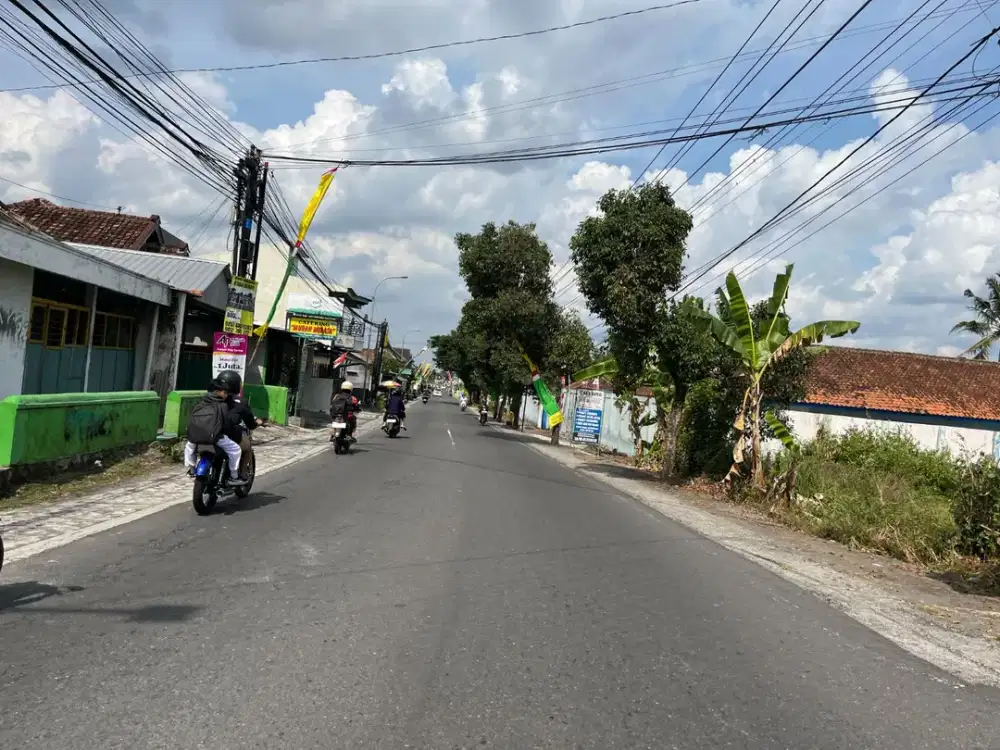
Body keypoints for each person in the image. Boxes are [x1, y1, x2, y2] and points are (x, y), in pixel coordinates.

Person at [184, 377, 246, 485]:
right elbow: (226, 424)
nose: (226, 395)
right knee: (235, 449)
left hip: (195, 436)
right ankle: (234, 477)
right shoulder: (222, 405)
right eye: (224, 392)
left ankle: (192, 470)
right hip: (214, 437)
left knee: (189, 447)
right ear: (217, 392)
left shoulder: (200, 403)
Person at [216, 369, 263, 478]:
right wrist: (257, 423)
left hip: (209, 432)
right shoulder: (241, 402)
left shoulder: (210, 398)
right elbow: (250, 423)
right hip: (229, 434)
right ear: (237, 386)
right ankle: (241, 474)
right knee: (247, 449)